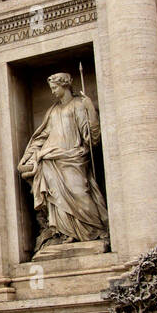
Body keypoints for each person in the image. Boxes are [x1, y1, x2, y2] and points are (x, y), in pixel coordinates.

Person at [18, 72, 108, 250]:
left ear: (64, 85)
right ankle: (67, 232)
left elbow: (91, 137)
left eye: (54, 88)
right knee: (56, 198)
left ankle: (94, 230)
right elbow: (42, 136)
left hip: (73, 158)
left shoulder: (79, 105)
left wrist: (90, 110)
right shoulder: (52, 111)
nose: (52, 92)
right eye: (51, 89)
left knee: (80, 192)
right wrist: (29, 157)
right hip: (51, 160)